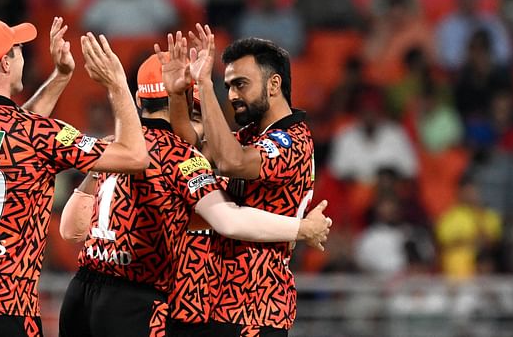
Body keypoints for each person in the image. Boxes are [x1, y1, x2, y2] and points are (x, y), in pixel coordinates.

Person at [57, 52, 331, 337]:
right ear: (182, 103)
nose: (196, 129)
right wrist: (301, 228)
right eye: (194, 114)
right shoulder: (182, 159)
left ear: (140, 100)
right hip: (144, 302)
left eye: (197, 118)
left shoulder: (119, 151)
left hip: (89, 293)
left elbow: (70, 229)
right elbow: (228, 220)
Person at [0, 15, 150, 337]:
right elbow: (136, 157)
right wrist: (118, 85)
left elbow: (10, 135)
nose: (23, 56)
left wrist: (61, 75)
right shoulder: (35, 134)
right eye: (18, 50)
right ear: (5, 65)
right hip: (1, 308)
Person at [163, 26, 321, 335]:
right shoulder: (251, 136)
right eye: (228, 86)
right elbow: (189, 152)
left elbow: (230, 161)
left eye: (241, 85)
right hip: (221, 304)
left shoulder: (293, 141)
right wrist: (176, 95)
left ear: (273, 84)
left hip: (257, 309)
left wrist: (206, 86)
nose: (233, 95)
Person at [435, 0, 512, 71]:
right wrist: (470, 60)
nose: (468, 3)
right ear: (457, 0)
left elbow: (504, 53)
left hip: (491, 73)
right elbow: (447, 58)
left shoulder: (491, 23)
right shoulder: (446, 26)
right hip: (460, 74)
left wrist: (485, 60)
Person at [237, 0, 305, 56]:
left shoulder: (289, 18)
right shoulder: (249, 19)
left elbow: (295, 46)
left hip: (284, 60)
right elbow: (245, 45)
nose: (269, 1)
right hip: (255, 61)